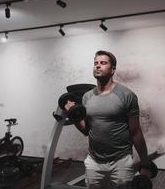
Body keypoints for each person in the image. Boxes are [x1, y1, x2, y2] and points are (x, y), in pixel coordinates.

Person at [65, 50, 151, 189]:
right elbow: (86, 130)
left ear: (113, 69)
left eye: (103, 63)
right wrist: (73, 114)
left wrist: (145, 163)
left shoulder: (127, 95)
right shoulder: (87, 97)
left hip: (121, 161)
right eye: (95, 63)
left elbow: (135, 132)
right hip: (94, 161)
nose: (97, 66)